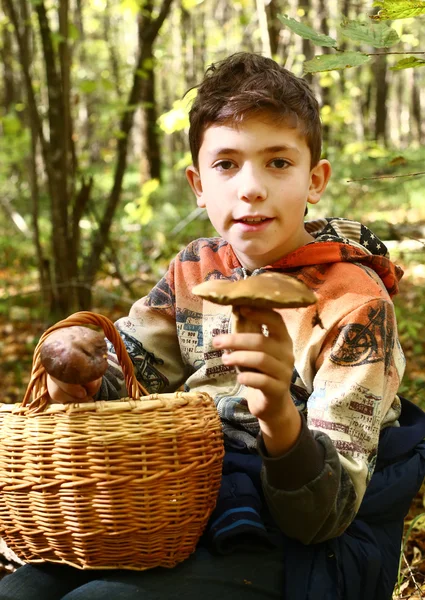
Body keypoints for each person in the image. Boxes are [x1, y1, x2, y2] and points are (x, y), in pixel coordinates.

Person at [1, 52, 425, 600]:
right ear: (198, 184)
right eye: (227, 164)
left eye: (278, 162)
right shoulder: (195, 269)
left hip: (310, 548)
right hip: (183, 503)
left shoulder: (354, 302)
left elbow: (326, 515)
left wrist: (274, 406)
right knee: (23, 591)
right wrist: (75, 369)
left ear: (314, 179)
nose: (251, 187)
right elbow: (126, 379)